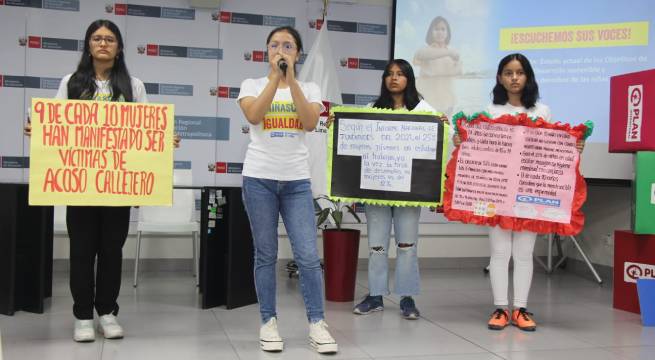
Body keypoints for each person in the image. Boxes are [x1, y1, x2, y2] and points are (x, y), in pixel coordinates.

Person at [24, 19, 179, 342]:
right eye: (97, 38)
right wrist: (37, 129)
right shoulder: (71, 83)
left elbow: (146, 130)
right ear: (88, 45)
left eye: (110, 38)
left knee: (112, 250)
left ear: (119, 47)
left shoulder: (133, 86)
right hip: (80, 184)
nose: (103, 43)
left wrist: (164, 139)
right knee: (81, 250)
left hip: (118, 186)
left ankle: (107, 312)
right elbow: (56, 125)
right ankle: (82, 316)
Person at [454, 53, 584, 332]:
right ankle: (500, 308)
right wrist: (461, 141)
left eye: (520, 72)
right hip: (497, 193)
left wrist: (573, 147)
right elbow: (481, 151)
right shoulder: (489, 111)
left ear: (528, 77)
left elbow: (551, 150)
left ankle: (521, 310)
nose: (514, 78)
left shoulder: (542, 111)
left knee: (524, 252)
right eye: (508, 72)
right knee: (499, 252)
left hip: (528, 192)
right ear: (500, 77)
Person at [236, 26, 338, 354]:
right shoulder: (251, 85)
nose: (282, 50)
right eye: (276, 45)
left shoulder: (308, 87)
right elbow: (255, 114)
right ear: (266, 51)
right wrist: (274, 80)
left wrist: (290, 79)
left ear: (298, 54)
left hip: (296, 181)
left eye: (289, 46)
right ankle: (268, 322)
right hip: (259, 179)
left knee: (308, 255)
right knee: (265, 254)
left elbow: (309, 122)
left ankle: (317, 324)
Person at [329, 59, 444, 320]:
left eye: (400, 74)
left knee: (407, 245)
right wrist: (337, 125)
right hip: (377, 190)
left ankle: (407, 297)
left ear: (409, 79)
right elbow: (356, 138)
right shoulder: (371, 108)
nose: (394, 78)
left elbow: (439, 142)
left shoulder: (424, 110)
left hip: (409, 193)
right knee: (377, 246)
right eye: (389, 74)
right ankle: (376, 295)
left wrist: (444, 126)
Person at [413, 16, 461, 117]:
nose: (440, 32)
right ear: (430, 32)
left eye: (443, 29)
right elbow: (420, 56)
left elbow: (459, 70)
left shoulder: (453, 52)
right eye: (436, 29)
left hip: (447, 101)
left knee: (446, 130)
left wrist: (452, 56)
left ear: (447, 33)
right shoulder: (425, 50)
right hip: (427, 102)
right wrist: (448, 53)